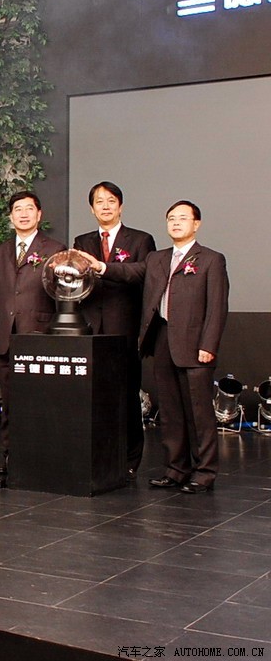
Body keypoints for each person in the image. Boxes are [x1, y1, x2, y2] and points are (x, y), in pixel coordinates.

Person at [84, 201, 229, 494]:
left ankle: (204, 472)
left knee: (199, 413)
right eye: (171, 218)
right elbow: (130, 272)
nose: (175, 223)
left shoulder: (211, 259)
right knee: (170, 412)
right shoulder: (157, 259)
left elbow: (217, 307)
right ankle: (176, 469)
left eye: (182, 218)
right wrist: (101, 266)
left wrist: (208, 345)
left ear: (196, 224)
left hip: (195, 345)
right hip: (162, 340)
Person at [0, 192, 65, 488]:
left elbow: (61, 296)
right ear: (11, 216)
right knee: (10, 404)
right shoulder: (0, 251)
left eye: (29, 209)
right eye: (18, 209)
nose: (24, 214)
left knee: (41, 403)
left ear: (39, 215)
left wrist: (58, 337)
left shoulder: (54, 249)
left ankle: (43, 462)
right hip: (6, 338)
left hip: (40, 337)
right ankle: (10, 460)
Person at [72, 182, 156, 479]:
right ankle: (98, 456)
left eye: (111, 201)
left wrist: (104, 268)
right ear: (91, 209)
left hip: (125, 328)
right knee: (92, 396)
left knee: (126, 395)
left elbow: (143, 273)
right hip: (90, 328)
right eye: (99, 201)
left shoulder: (140, 239)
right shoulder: (82, 241)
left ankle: (130, 459)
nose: (105, 206)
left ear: (120, 206)